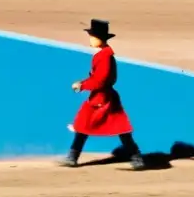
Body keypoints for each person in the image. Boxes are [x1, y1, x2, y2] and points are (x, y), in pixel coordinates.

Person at [62, 19, 145, 170]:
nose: (91, 39)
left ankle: (136, 158)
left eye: (93, 36)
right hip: (102, 97)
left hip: (103, 99)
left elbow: (100, 80)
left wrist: (82, 85)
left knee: (113, 127)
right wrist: (84, 83)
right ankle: (72, 157)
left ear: (101, 38)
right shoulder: (104, 55)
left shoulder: (105, 57)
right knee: (87, 124)